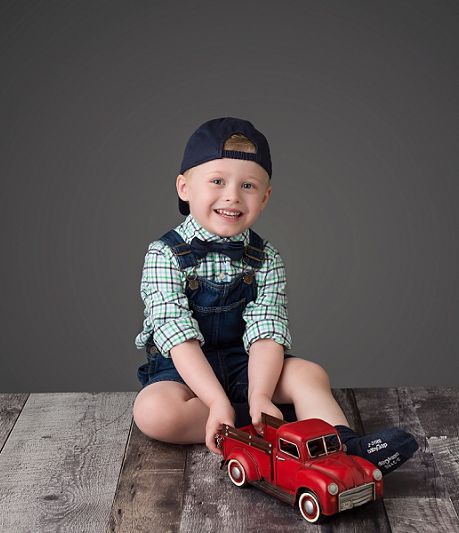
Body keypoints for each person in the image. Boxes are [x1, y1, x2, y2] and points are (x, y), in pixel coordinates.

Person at [133, 117, 417, 473]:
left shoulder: (265, 258)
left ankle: (345, 447)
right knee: (153, 412)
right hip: (183, 372)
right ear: (184, 187)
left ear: (265, 197)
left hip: (247, 366)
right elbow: (178, 338)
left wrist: (261, 393)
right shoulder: (164, 255)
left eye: (248, 185)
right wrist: (216, 400)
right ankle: (253, 428)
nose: (232, 195)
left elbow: (267, 333)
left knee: (308, 373)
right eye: (217, 181)